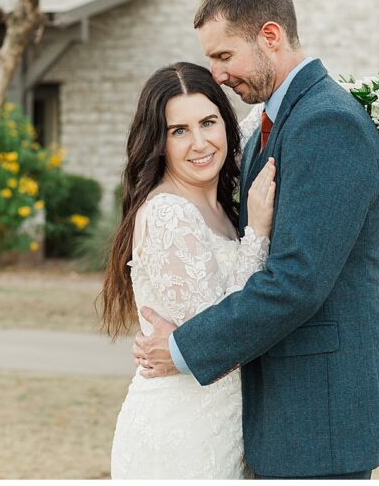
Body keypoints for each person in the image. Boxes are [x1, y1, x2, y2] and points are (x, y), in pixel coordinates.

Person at [132, 0, 379, 479]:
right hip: (274, 411)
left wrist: (183, 347)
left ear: (270, 37)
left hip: (319, 410)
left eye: (224, 56)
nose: (216, 75)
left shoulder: (326, 122)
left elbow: (296, 281)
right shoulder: (268, 127)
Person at [103, 61, 278, 478]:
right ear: (159, 142)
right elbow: (219, 337)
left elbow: (267, 114)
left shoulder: (217, 199)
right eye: (178, 131)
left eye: (208, 122)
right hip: (183, 433)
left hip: (226, 426)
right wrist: (256, 232)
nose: (200, 143)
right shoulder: (168, 213)